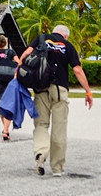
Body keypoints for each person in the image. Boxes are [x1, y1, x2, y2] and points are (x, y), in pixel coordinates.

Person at [17, 24, 92, 176]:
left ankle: (41, 153)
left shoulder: (41, 39)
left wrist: (17, 75)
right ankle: (57, 168)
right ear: (65, 36)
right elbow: (77, 70)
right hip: (59, 90)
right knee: (59, 128)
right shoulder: (68, 46)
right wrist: (88, 92)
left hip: (41, 88)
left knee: (41, 124)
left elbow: (24, 56)